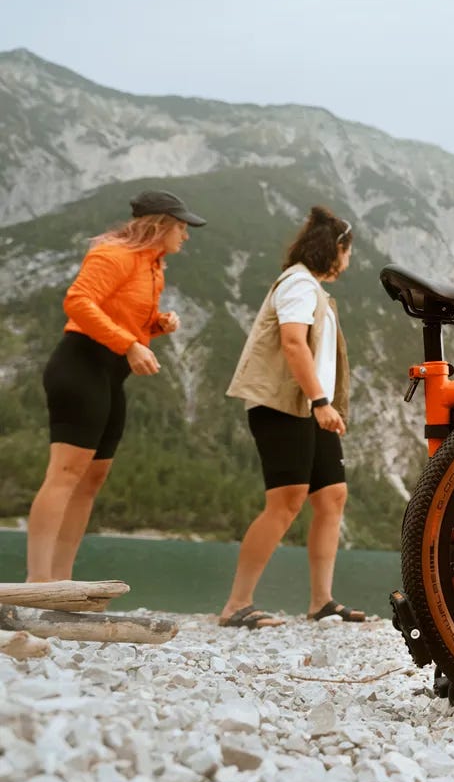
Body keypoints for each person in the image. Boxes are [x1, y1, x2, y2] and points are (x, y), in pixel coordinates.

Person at [24, 190, 206, 582]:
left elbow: (121, 312)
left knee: (92, 478)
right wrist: (130, 345)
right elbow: (78, 302)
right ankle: (36, 583)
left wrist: (157, 324)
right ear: (158, 225)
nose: (185, 235)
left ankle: (62, 582)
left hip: (110, 375)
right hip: (80, 366)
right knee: (66, 473)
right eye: (180, 226)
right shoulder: (114, 254)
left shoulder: (153, 265)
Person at [219, 206, 363, 628]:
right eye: (348, 251)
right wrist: (320, 401)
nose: (349, 261)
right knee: (286, 501)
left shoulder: (312, 288)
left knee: (332, 496)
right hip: (287, 405)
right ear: (335, 249)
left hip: (312, 407)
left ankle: (322, 602)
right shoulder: (298, 284)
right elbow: (293, 344)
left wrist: (322, 404)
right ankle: (236, 605)